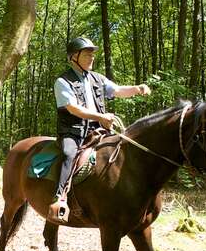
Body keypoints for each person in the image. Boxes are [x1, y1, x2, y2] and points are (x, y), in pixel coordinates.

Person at [49, 37, 151, 223]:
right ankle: (60, 198)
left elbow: (118, 90)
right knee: (68, 153)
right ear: (74, 57)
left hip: (97, 131)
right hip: (73, 132)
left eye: (92, 54)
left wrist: (137, 88)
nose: (91, 57)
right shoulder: (62, 81)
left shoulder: (98, 78)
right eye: (87, 54)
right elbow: (73, 109)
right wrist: (100, 117)